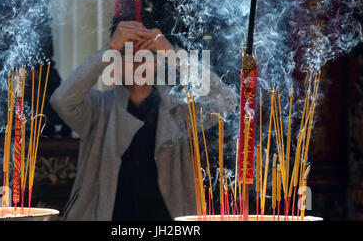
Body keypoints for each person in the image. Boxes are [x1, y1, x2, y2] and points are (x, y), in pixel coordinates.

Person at [50, 15, 237, 221]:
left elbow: (226, 100)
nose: (136, 59)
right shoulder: (99, 109)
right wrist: (108, 49)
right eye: (126, 52)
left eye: (145, 51)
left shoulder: (179, 111)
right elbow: (61, 100)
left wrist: (173, 53)